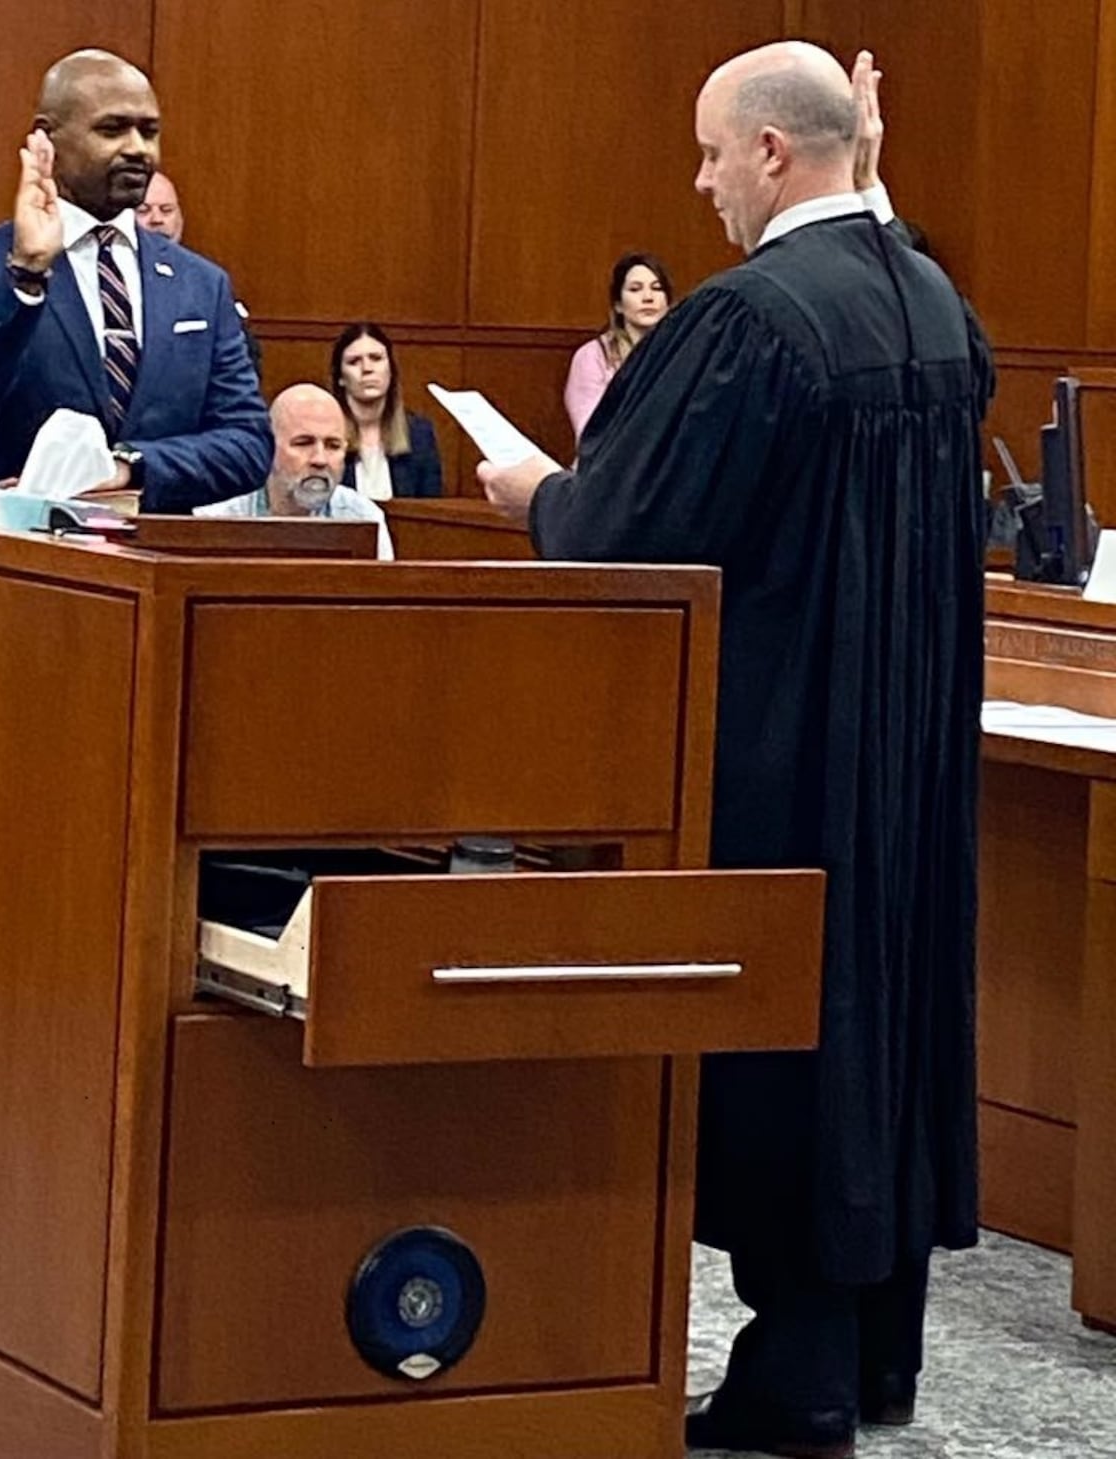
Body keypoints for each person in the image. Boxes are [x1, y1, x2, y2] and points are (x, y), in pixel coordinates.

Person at [481, 46, 992, 1459]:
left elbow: (621, 532)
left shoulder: (752, 318)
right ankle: (875, 1352)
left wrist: (536, 490)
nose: (699, 182)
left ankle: (804, 1377)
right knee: (883, 1019)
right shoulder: (933, 303)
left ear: (773, 153)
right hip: (904, 757)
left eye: (712, 153)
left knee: (796, 1035)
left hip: (788, 751)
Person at [0, 50, 271, 508]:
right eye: (112, 129)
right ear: (48, 139)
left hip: (161, 560)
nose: (137, 148)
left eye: (149, 131)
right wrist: (25, 279)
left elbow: (249, 444)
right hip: (26, 561)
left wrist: (126, 465)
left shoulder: (201, 284)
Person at [195, 383, 394, 558]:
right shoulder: (215, 520)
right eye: (303, 443)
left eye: (333, 446)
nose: (320, 459)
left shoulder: (364, 518)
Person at [137, 170, 262, 381]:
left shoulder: (207, 284)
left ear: (180, 220)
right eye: (143, 210)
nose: (157, 219)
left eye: (166, 210)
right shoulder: (112, 283)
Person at [562, 252, 673, 439]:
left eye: (657, 288)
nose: (648, 297)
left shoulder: (683, 351)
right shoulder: (593, 356)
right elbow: (590, 431)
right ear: (618, 305)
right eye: (635, 289)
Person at [330, 323, 441, 500]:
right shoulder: (326, 434)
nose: (367, 369)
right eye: (354, 361)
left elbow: (431, 510)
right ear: (341, 378)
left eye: (376, 358)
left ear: (391, 370)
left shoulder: (419, 434)